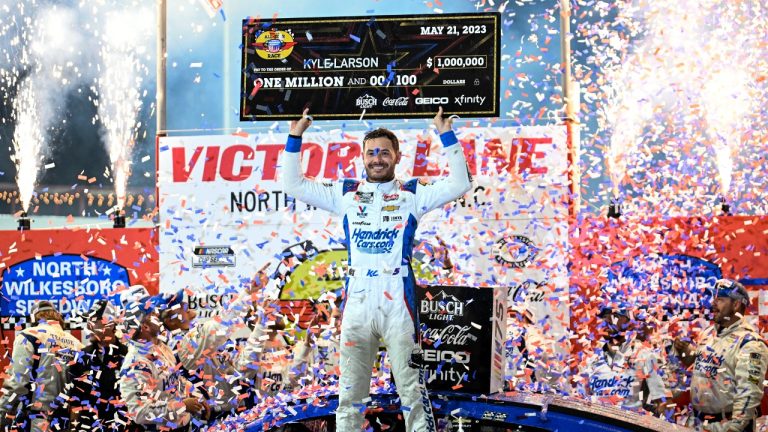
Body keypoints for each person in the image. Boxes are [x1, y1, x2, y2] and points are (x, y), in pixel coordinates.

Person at [282, 107, 472, 431]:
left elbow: (460, 183)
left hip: (398, 303)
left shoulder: (413, 193)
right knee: (350, 396)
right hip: (357, 303)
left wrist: (445, 133)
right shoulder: (345, 193)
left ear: (397, 156)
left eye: (384, 152)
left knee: (411, 391)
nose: (378, 159)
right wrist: (295, 136)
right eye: (372, 153)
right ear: (363, 157)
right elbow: (292, 184)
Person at [674, 279, 768, 432]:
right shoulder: (708, 334)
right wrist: (685, 353)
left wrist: (735, 427)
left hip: (725, 426)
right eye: (714, 299)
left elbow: (749, 393)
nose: (713, 303)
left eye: (720, 300)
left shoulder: (751, 344)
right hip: (695, 423)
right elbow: (704, 368)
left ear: (736, 305)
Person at [119, 286, 208, 431]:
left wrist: (196, 395)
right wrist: (183, 405)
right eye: (153, 315)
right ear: (145, 327)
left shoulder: (160, 346)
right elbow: (139, 412)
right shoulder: (135, 365)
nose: (159, 318)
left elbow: (175, 378)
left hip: (182, 425)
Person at [0, 300, 84, 432]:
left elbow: (17, 383)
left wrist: (2, 413)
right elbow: (82, 388)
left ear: (34, 317)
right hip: (64, 421)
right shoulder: (77, 344)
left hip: (36, 420)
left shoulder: (29, 335)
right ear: (56, 316)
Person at [577, 302, 668, 412]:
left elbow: (663, 403)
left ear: (630, 323)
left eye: (615, 315)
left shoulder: (646, 356)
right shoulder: (590, 360)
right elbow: (581, 401)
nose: (607, 320)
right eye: (603, 316)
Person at [69, 300, 130, 432]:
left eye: (94, 321)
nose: (89, 326)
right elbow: (74, 400)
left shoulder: (128, 356)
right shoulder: (82, 357)